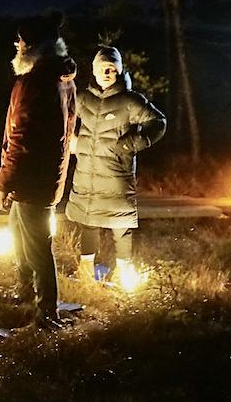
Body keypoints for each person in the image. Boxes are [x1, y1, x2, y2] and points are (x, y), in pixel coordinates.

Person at [0, 13, 77, 330]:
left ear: (31, 46)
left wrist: (3, 183)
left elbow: (21, 139)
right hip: (43, 177)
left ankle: (47, 313)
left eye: (21, 40)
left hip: (33, 180)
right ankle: (25, 290)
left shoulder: (35, 83)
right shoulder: (61, 79)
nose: (16, 44)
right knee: (19, 234)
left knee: (38, 248)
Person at [65, 46, 166, 283]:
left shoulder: (130, 100)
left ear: (118, 71)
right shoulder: (82, 98)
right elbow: (62, 118)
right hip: (86, 174)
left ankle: (124, 275)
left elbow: (158, 122)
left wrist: (130, 144)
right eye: (102, 68)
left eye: (112, 68)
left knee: (120, 224)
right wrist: (73, 143)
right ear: (94, 70)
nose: (107, 72)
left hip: (116, 174)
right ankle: (86, 272)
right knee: (88, 221)